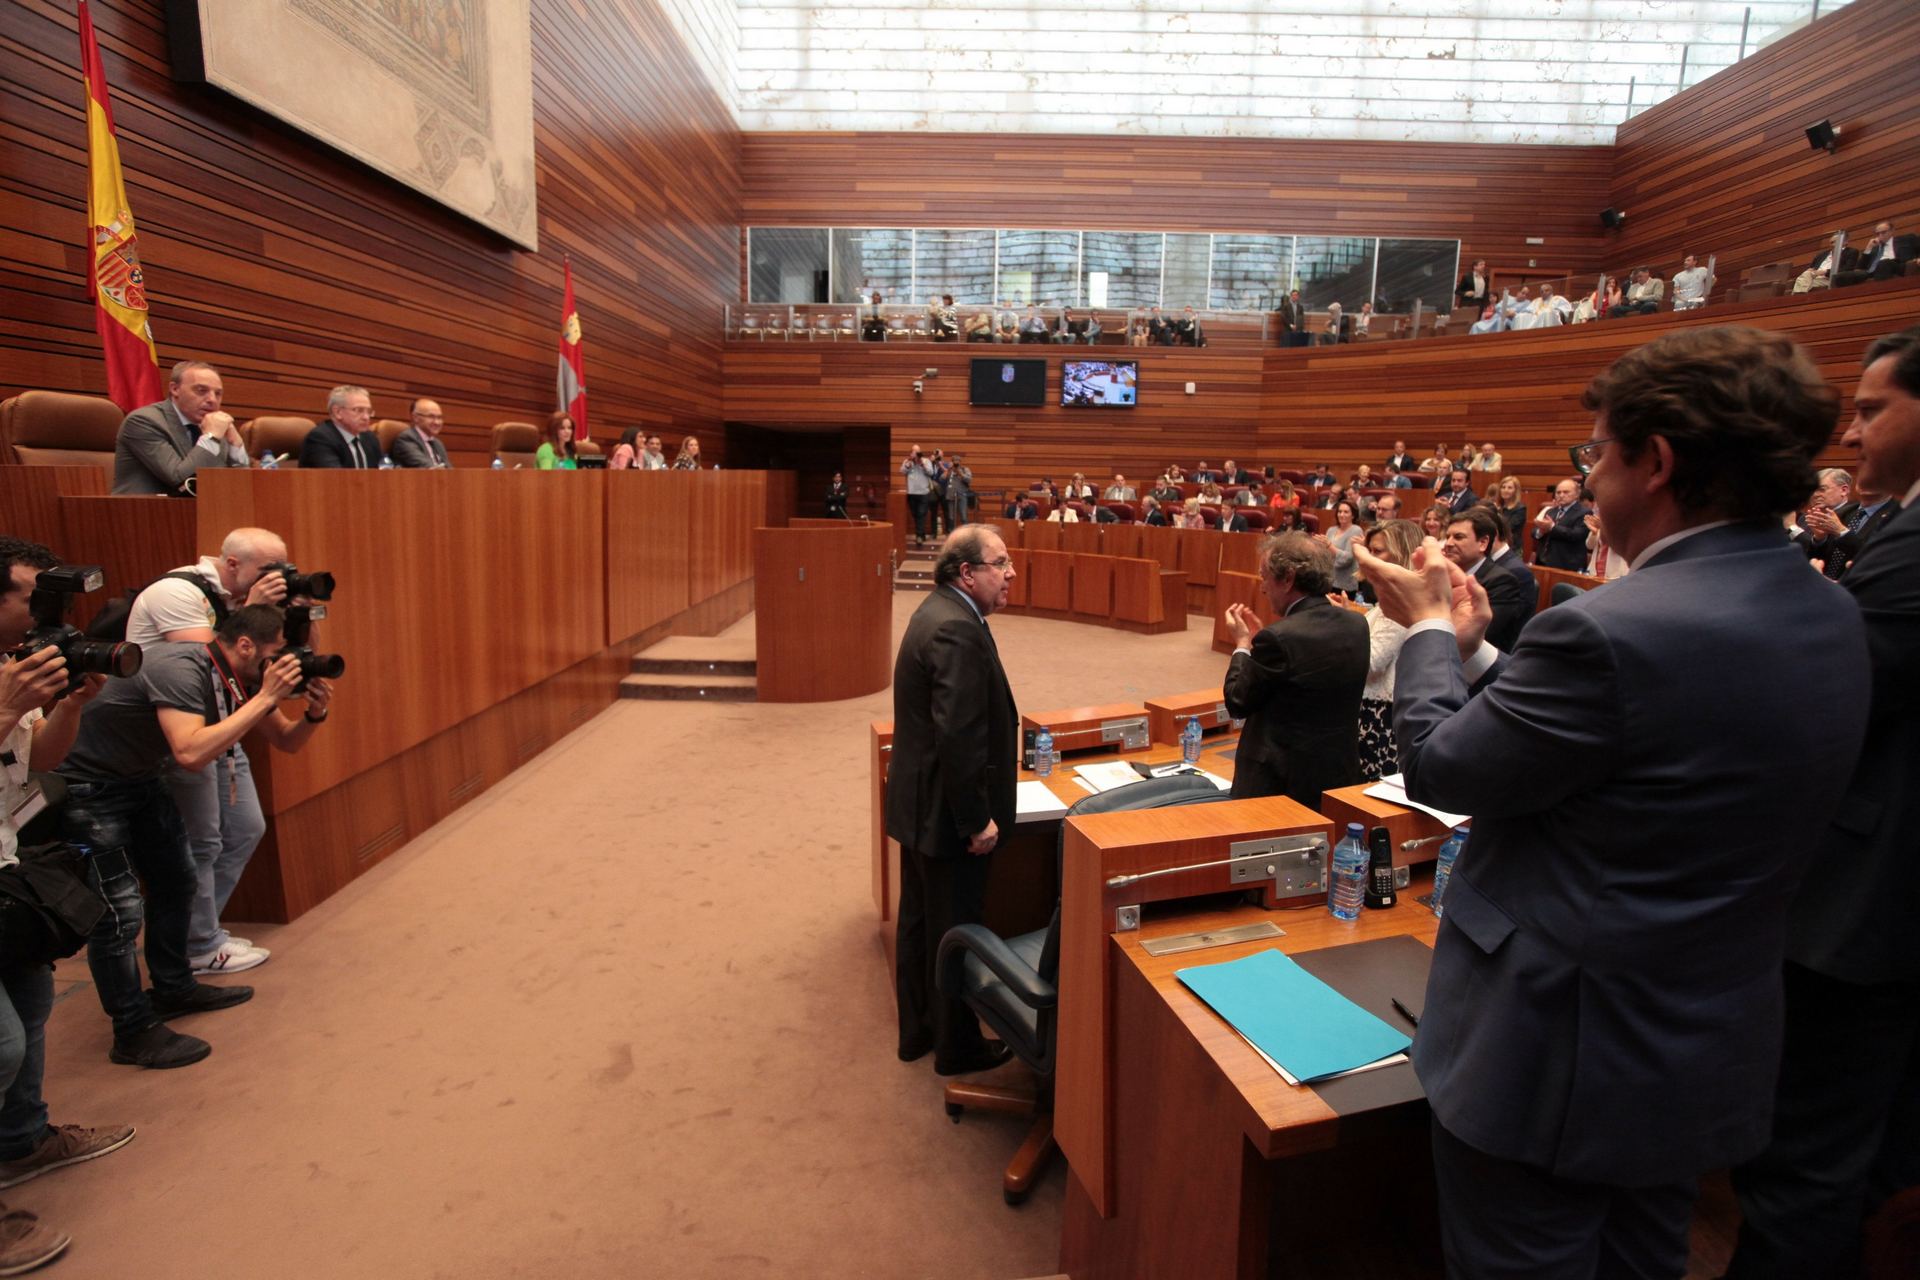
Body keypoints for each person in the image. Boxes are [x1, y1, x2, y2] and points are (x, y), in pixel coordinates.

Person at [1355, 324, 1870, 1280]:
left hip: (1553, 1055)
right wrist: (1473, 647)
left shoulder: (1607, 628)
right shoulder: (1829, 610)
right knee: (1644, 1260)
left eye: (1597, 454)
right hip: (1696, 1046)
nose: (1589, 480)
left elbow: (1440, 767)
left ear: (1658, 462)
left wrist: (1428, 631)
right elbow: (1641, 741)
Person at [1727, 327, 1920, 1279]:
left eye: (1875, 409)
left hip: (1868, 906)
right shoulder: (1895, 530)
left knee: (1807, 1155)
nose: (1851, 436)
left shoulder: (1916, 542)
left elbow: (1836, 696)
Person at [58, 604, 337, 1069]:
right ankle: (131, 1030)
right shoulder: (184, 667)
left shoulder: (237, 676)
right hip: (89, 784)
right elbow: (189, 753)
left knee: (178, 880)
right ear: (245, 645)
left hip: (141, 778)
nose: (280, 667)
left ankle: (173, 987)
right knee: (119, 914)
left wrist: (313, 714)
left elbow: (286, 741)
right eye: (275, 655)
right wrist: (266, 697)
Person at [0, 535, 139, 1272]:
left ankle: (23, 1142)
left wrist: (74, 705)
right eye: (29, 595)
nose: (42, 613)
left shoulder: (10, 669)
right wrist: (6, 706)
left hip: (7, 863)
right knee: (2, 1044)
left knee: (29, 1008)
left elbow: (39, 762)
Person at [125, 527, 296, 976]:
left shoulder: (240, 602)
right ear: (233, 565)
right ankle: (197, 945)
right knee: (200, 844)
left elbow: (275, 658)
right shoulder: (176, 592)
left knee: (244, 830)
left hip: (224, 724)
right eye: (269, 570)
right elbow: (212, 662)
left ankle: (198, 932)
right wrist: (255, 606)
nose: (278, 578)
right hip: (178, 735)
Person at [886, 526, 1018, 1077]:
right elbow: (959, 735)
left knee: (920, 923)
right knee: (955, 932)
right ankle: (958, 1047)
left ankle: (918, 1031)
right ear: (967, 572)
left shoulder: (937, 611)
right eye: (1000, 563)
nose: (1011, 573)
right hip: (947, 816)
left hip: (921, 805)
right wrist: (977, 821)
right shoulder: (956, 629)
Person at [1221, 533, 1369, 810]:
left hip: (1280, 787)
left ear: (1288, 578)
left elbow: (1238, 702)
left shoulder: (1279, 638)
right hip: (1337, 775)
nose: (1262, 587)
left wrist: (1243, 646)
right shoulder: (1357, 624)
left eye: (1265, 576)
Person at [112, 359, 249, 495]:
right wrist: (211, 437)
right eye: (201, 391)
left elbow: (241, 486)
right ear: (175, 389)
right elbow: (182, 480)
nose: (212, 399)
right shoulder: (143, 421)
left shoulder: (212, 426)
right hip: (143, 511)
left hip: (200, 511)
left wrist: (235, 446)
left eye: (218, 393)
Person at [1353, 519, 1420, 779]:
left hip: (1379, 716)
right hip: (1372, 710)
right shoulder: (1388, 601)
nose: (1369, 558)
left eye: (1378, 551)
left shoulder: (1401, 603)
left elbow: (1371, 663)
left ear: (1401, 555)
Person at [1441, 506, 1530, 651]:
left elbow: (1481, 636)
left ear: (1482, 543)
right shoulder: (1444, 575)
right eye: (1447, 537)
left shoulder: (1502, 581)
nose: (1448, 543)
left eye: (1458, 537)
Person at [1799, 467, 1866, 580]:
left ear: (1844, 490)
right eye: (1812, 490)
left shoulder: (1855, 516)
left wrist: (1792, 528)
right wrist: (1819, 540)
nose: (1815, 495)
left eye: (1821, 489)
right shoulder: (1805, 517)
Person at [299, 385, 385, 469]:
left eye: (369, 411)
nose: (366, 417)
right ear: (338, 412)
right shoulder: (320, 438)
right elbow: (336, 478)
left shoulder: (370, 438)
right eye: (359, 410)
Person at [1533, 477, 1593, 570]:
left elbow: (1577, 535)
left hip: (1567, 565)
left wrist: (1552, 527)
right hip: (1543, 562)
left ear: (1577, 494)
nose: (1561, 495)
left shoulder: (1584, 512)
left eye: (1566, 492)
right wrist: (1540, 531)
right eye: (1558, 492)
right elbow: (1534, 532)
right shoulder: (1550, 511)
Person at [1834, 220, 1918, 287]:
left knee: (1884, 263)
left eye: (1883, 232)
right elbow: (1859, 267)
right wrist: (1868, 248)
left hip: (1896, 265)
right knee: (1840, 276)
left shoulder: (1906, 239)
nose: (1880, 235)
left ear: (1892, 231)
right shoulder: (1875, 248)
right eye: (1878, 233)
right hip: (1872, 272)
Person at [387, 398, 452, 468]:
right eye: (431, 417)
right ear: (415, 418)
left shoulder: (437, 443)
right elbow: (427, 467)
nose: (437, 422)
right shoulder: (407, 439)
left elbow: (449, 469)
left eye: (439, 417)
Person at [1324, 500, 1364, 592]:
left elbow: (1347, 558)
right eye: (1339, 511)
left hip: (1345, 584)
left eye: (1346, 512)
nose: (1341, 514)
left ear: (1353, 515)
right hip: (1329, 580)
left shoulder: (1356, 530)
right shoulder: (1331, 530)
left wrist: (1329, 546)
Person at [1791, 240, 1857, 294]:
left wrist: (1825, 272)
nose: (1833, 244)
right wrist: (1811, 270)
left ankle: (1796, 299)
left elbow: (1848, 269)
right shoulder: (1822, 254)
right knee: (1805, 275)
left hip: (1831, 278)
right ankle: (1799, 298)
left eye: (1836, 241)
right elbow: (1811, 267)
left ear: (1846, 242)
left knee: (1801, 282)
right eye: (1832, 242)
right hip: (1815, 277)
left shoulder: (1851, 252)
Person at [900, 446, 935, 541]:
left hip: (923, 492)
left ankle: (919, 535)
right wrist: (909, 463)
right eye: (914, 452)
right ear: (911, 453)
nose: (916, 454)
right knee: (915, 514)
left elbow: (931, 473)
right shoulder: (907, 461)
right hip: (911, 492)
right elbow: (902, 471)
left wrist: (922, 464)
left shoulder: (926, 461)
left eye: (918, 452)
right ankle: (922, 533)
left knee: (921, 513)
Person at [1491, 476, 1528, 550]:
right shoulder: (1497, 507)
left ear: (1515, 491)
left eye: (1509, 488)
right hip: (1495, 545)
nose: (1505, 490)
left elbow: (1508, 527)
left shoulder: (1520, 509)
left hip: (1512, 548)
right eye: (1503, 487)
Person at [944, 454, 973, 532]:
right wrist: (948, 469)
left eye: (958, 461)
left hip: (962, 496)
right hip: (950, 496)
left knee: (963, 516)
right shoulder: (949, 470)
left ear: (960, 462)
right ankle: (951, 534)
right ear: (952, 462)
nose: (956, 463)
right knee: (951, 517)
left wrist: (960, 474)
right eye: (954, 461)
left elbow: (969, 479)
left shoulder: (965, 469)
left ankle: (966, 533)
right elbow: (942, 478)